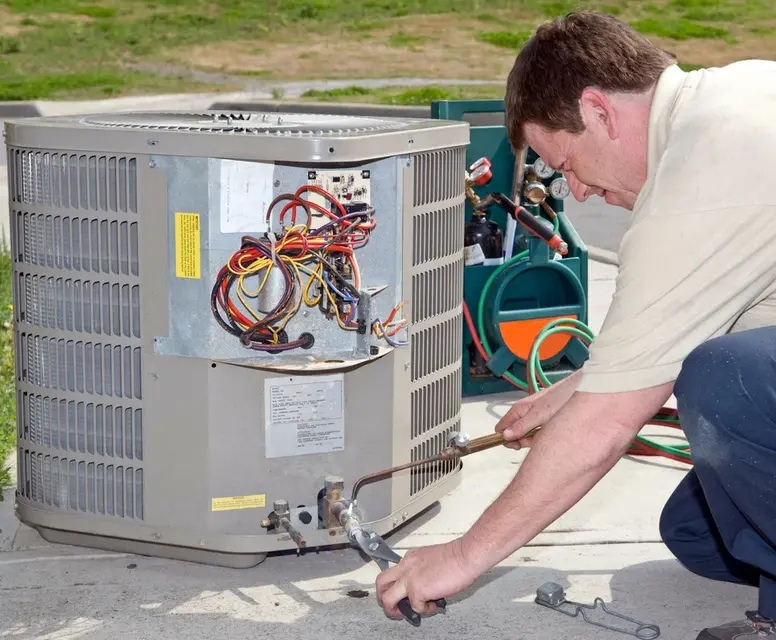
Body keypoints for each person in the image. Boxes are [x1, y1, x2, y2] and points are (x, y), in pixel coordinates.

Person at [374, 10, 776, 640]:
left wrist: (461, 557)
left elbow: (610, 422)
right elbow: (712, 312)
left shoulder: (706, 167)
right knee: (701, 533)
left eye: (563, 163)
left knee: (728, 379)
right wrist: (578, 388)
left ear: (599, 111)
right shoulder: (736, 96)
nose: (576, 191)